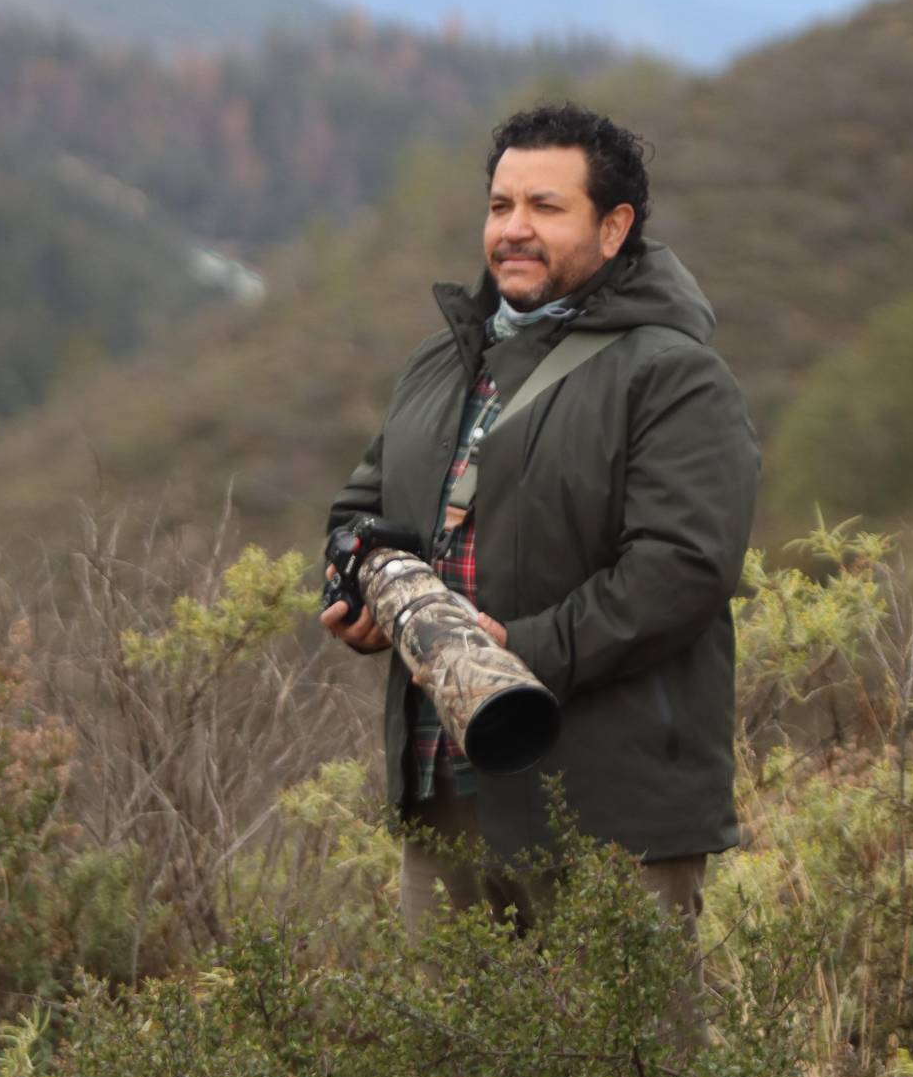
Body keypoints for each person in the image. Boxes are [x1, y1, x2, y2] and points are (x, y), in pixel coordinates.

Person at [321, 101, 760, 965]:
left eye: (545, 208)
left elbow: (682, 570)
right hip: (442, 792)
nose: (513, 230)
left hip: (608, 808)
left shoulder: (673, 376)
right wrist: (356, 587)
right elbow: (360, 509)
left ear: (613, 227)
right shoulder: (443, 362)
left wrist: (511, 655)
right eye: (499, 206)